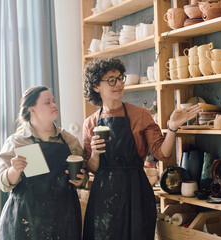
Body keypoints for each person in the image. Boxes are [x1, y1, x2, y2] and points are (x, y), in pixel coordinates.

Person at [82, 58, 201, 240]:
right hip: (104, 197)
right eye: (111, 80)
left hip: (136, 193)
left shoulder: (140, 115)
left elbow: (163, 153)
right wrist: (95, 153)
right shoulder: (90, 123)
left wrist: (172, 127)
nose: (119, 84)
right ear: (96, 86)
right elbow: (93, 168)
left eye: (120, 78)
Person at [0, 86, 88, 240]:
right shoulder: (17, 141)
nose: (54, 105)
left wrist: (81, 180)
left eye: (53, 101)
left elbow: (83, 177)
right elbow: (3, 183)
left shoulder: (69, 140)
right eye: (47, 102)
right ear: (32, 109)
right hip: (25, 220)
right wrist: (14, 170)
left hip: (64, 219)